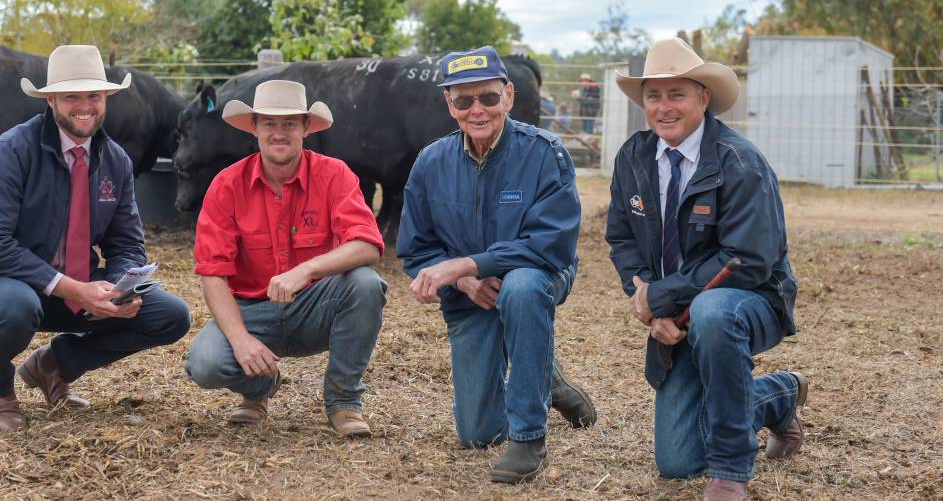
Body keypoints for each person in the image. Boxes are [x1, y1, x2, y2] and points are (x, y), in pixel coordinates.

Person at [0, 45, 192, 433]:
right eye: (71, 96)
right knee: (14, 305)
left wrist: (121, 289)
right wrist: (75, 289)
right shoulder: (12, 151)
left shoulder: (116, 161)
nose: (84, 106)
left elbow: (126, 243)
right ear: (52, 100)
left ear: (106, 97)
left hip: (73, 286)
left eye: (93, 95)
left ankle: (54, 365)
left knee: (170, 316)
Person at [604, 38, 806, 501]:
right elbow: (621, 239)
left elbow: (749, 261)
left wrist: (665, 298)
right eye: (653, 96)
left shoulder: (740, 162)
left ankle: (730, 470)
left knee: (714, 311)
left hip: (751, 301)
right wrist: (647, 297)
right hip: (674, 310)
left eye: (677, 94)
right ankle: (776, 395)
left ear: (703, 98)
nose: (664, 107)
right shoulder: (633, 158)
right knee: (675, 462)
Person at [397, 46, 596, 484]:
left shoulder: (546, 153)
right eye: (464, 100)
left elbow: (551, 245)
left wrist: (466, 264)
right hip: (471, 294)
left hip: (538, 274)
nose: (478, 110)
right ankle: (548, 376)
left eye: (487, 97)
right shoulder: (430, 162)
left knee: (522, 287)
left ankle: (528, 437)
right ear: (449, 104)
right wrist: (466, 282)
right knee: (477, 433)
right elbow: (416, 249)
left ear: (508, 95)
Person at [184, 79, 387, 438]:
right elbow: (213, 274)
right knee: (205, 363)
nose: (279, 133)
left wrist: (307, 269)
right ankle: (259, 388)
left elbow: (368, 245)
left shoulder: (334, 174)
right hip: (252, 312)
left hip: (314, 306)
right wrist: (241, 340)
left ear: (306, 129)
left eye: (289, 124)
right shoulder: (226, 185)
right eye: (269, 124)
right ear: (255, 129)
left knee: (366, 284)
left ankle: (344, 401)